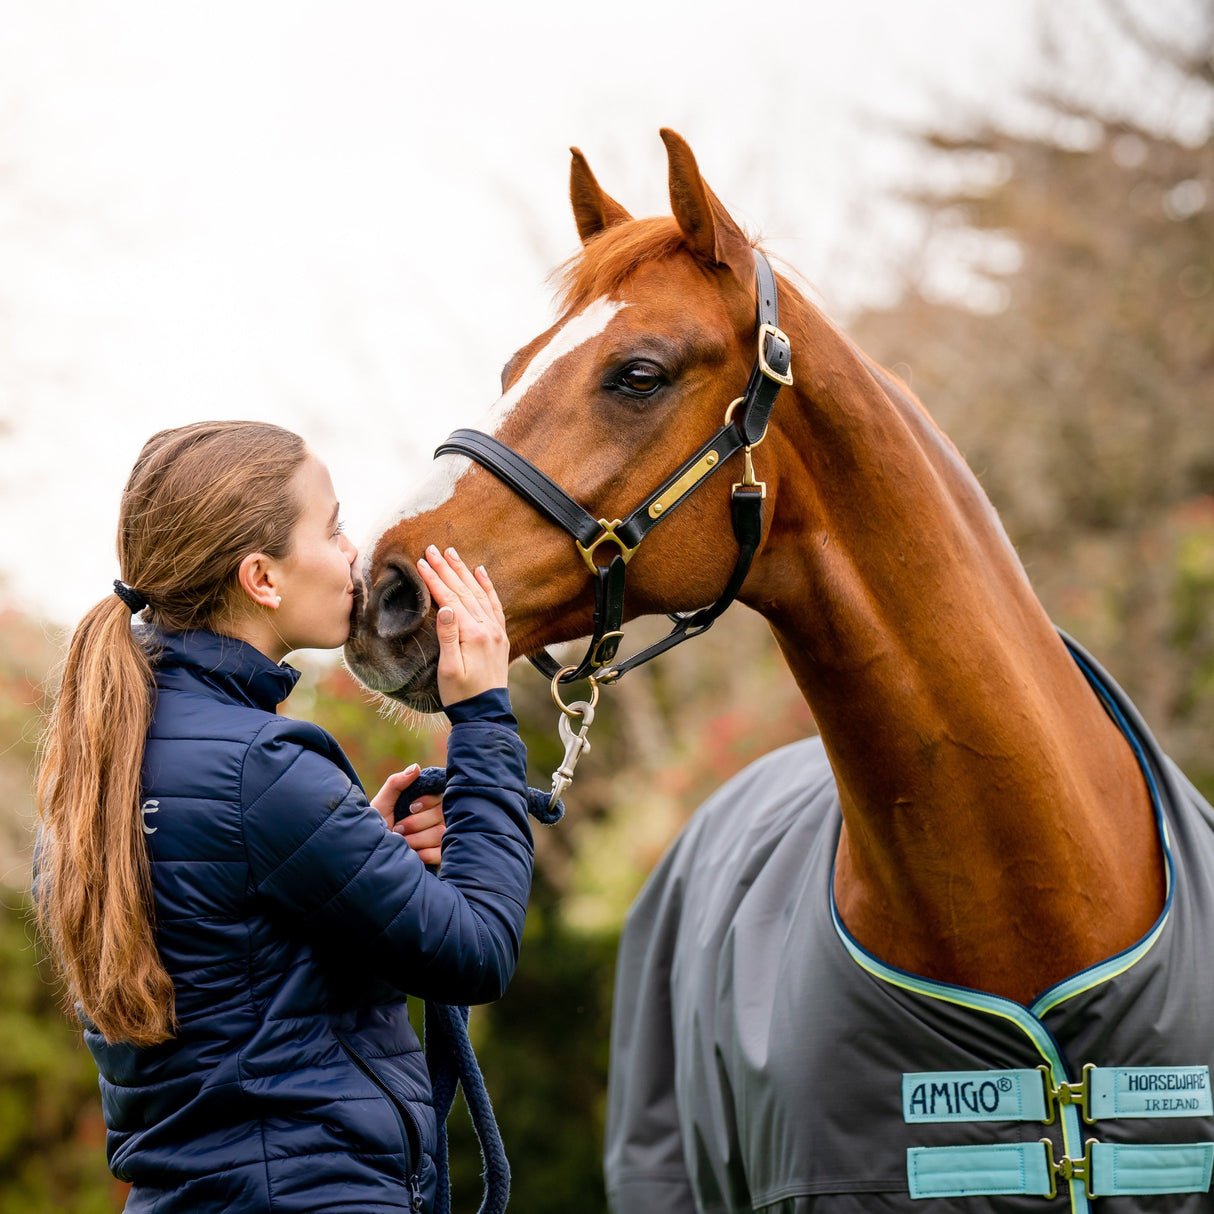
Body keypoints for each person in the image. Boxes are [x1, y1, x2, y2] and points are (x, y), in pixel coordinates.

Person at [34, 420, 534, 1213]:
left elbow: (238, 975)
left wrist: (351, 851)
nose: (352, 556)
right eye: (332, 527)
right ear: (262, 578)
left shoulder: (96, 772)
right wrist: (483, 720)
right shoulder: (260, 770)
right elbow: (476, 952)